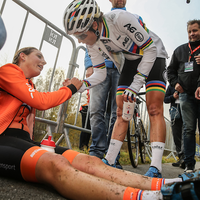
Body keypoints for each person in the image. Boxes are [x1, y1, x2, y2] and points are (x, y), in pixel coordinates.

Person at [0, 46, 189, 200]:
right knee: (55, 163)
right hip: (4, 140)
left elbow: (39, 100)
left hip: (24, 141)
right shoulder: (8, 71)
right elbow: (41, 101)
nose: (44, 61)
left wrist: (69, 88)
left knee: (91, 161)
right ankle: (149, 198)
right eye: (39, 56)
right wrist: (72, 88)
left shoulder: (29, 84)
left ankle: (173, 185)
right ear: (22, 57)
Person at [63, 0, 168, 178]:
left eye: (81, 35)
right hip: (131, 60)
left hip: (154, 54)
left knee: (154, 108)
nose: (80, 40)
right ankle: (110, 161)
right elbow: (100, 74)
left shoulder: (120, 18)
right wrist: (80, 86)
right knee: (121, 110)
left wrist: (136, 85)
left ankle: (156, 167)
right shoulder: (92, 42)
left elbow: (149, 49)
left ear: (94, 24)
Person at [84, 0, 125, 167]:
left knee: (118, 113)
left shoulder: (130, 18)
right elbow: (89, 38)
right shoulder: (101, 18)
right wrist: (88, 64)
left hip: (122, 70)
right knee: (95, 109)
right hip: (101, 67)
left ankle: (112, 154)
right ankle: (97, 150)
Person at [167, 19, 200, 172]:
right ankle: (189, 164)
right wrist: (175, 84)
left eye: (195, 30)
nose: (192, 34)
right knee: (188, 129)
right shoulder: (180, 50)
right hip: (186, 95)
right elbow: (170, 70)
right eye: (190, 31)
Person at [164, 85, 185, 168]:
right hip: (174, 112)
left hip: (186, 109)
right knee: (176, 135)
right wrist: (173, 97)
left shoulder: (185, 82)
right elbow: (165, 99)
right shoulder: (171, 86)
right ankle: (180, 158)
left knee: (185, 134)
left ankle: (185, 158)